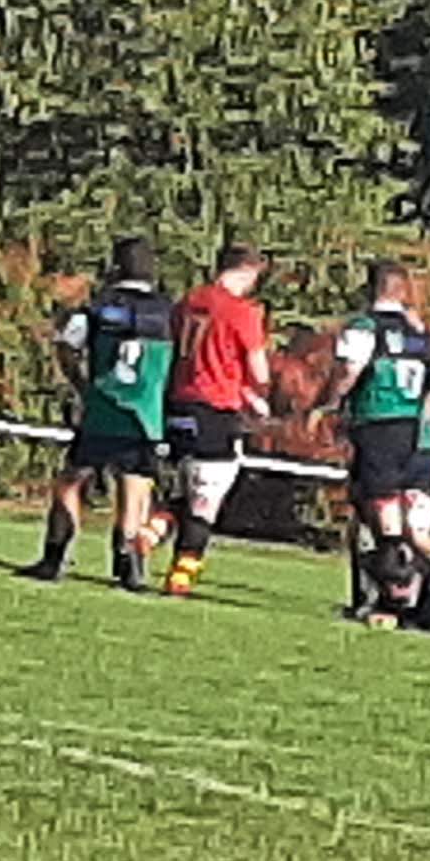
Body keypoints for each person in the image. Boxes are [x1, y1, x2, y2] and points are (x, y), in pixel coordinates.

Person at [28, 237, 178, 587]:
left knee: (70, 482)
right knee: (134, 486)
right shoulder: (168, 313)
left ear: (115, 268)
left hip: (102, 411)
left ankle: (55, 556)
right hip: (146, 417)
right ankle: (131, 566)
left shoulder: (96, 309)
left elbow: (67, 345)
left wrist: (81, 385)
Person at [322, 263, 430, 624]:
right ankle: (401, 598)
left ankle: (394, 602)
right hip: (416, 431)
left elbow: (349, 370)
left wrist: (329, 403)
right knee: (402, 521)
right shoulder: (420, 335)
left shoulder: (365, 327)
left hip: (377, 422)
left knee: (381, 515)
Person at [160, 243, 273, 598]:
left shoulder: (189, 301)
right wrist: (259, 394)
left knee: (184, 487)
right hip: (216, 409)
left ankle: (155, 526)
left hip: (179, 402)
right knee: (207, 499)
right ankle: (182, 573)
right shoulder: (242, 312)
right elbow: (258, 369)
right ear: (248, 271)